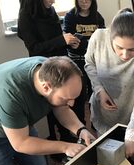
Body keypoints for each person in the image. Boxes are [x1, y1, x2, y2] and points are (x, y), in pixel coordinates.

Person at [85, 8, 134, 157]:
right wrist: (99, 90)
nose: (125, 55)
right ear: (111, 37)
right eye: (119, 47)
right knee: (106, 155)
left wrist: (132, 131)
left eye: (132, 49)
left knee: (132, 158)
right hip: (104, 110)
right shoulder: (98, 38)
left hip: (132, 111)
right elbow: (89, 64)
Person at [18, 0, 81, 147]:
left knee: (64, 105)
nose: (54, 1)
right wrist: (61, 40)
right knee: (50, 110)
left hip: (61, 64)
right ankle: (55, 144)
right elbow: (34, 48)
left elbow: (54, 39)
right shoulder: (26, 16)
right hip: (44, 69)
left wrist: (68, 41)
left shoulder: (50, 10)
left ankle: (68, 137)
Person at [64, 0, 105, 125]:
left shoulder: (98, 17)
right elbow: (68, 40)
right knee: (79, 95)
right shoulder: (70, 16)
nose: (85, 1)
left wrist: (83, 44)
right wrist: (81, 45)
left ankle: (96, 122)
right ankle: (80, 125)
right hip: (76, 62)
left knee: (95, 91)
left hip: (94, 61)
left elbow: (102, 41)